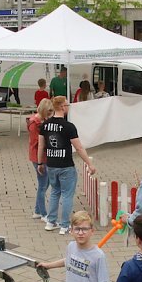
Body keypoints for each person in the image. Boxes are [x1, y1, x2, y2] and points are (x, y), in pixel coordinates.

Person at [37, 96, 97, 235]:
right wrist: (89, 163)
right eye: (67, 105)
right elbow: (79, 148)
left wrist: (40, 162)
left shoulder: (44, 125)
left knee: (54, 192)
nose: (68, 107)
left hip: (51, 164)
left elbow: (41, 145)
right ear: (63, 107)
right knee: (67, 195)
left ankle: (51, 222)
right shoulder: (68, 126)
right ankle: (64, 225)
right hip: (66, 165)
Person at [27, 98, 53, 221]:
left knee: (45, 183)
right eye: (48, 112)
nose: (50, 114)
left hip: (44, 155)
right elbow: (37, 142)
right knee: (43, 184)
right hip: (37, 157)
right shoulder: (34, 123)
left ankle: (37, 211)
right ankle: (43, 213)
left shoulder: (42, 121)